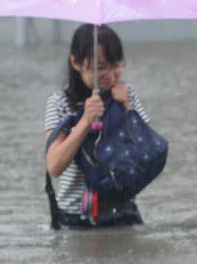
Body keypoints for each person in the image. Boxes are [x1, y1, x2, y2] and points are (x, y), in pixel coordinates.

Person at [43, 24, 150, 228]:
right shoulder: (60, 103)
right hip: (75, 218)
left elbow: (146, 153)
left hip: (123, 212)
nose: (111, 75)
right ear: (75, 62)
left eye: (116, 65)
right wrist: (85, 121)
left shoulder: (127, 95)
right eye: (100, 67)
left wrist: (127, 109)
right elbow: (54, 166)